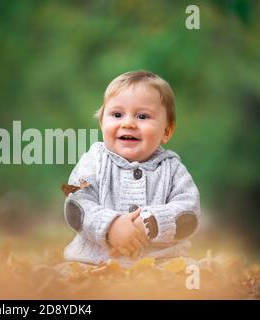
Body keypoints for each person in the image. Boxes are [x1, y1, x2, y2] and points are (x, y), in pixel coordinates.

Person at [63, 70, 200, 268]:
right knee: (63, 276)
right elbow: (76, 203)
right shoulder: (93, 160)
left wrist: (149, 224)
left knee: (196, 273)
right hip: (95, 261)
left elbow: (189, 213)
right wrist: (110, 226)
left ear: (167, 131)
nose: (128, 123)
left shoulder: (173, 168)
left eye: (142, 116)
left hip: (160, 263)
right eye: (117, 114)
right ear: (102, 124)